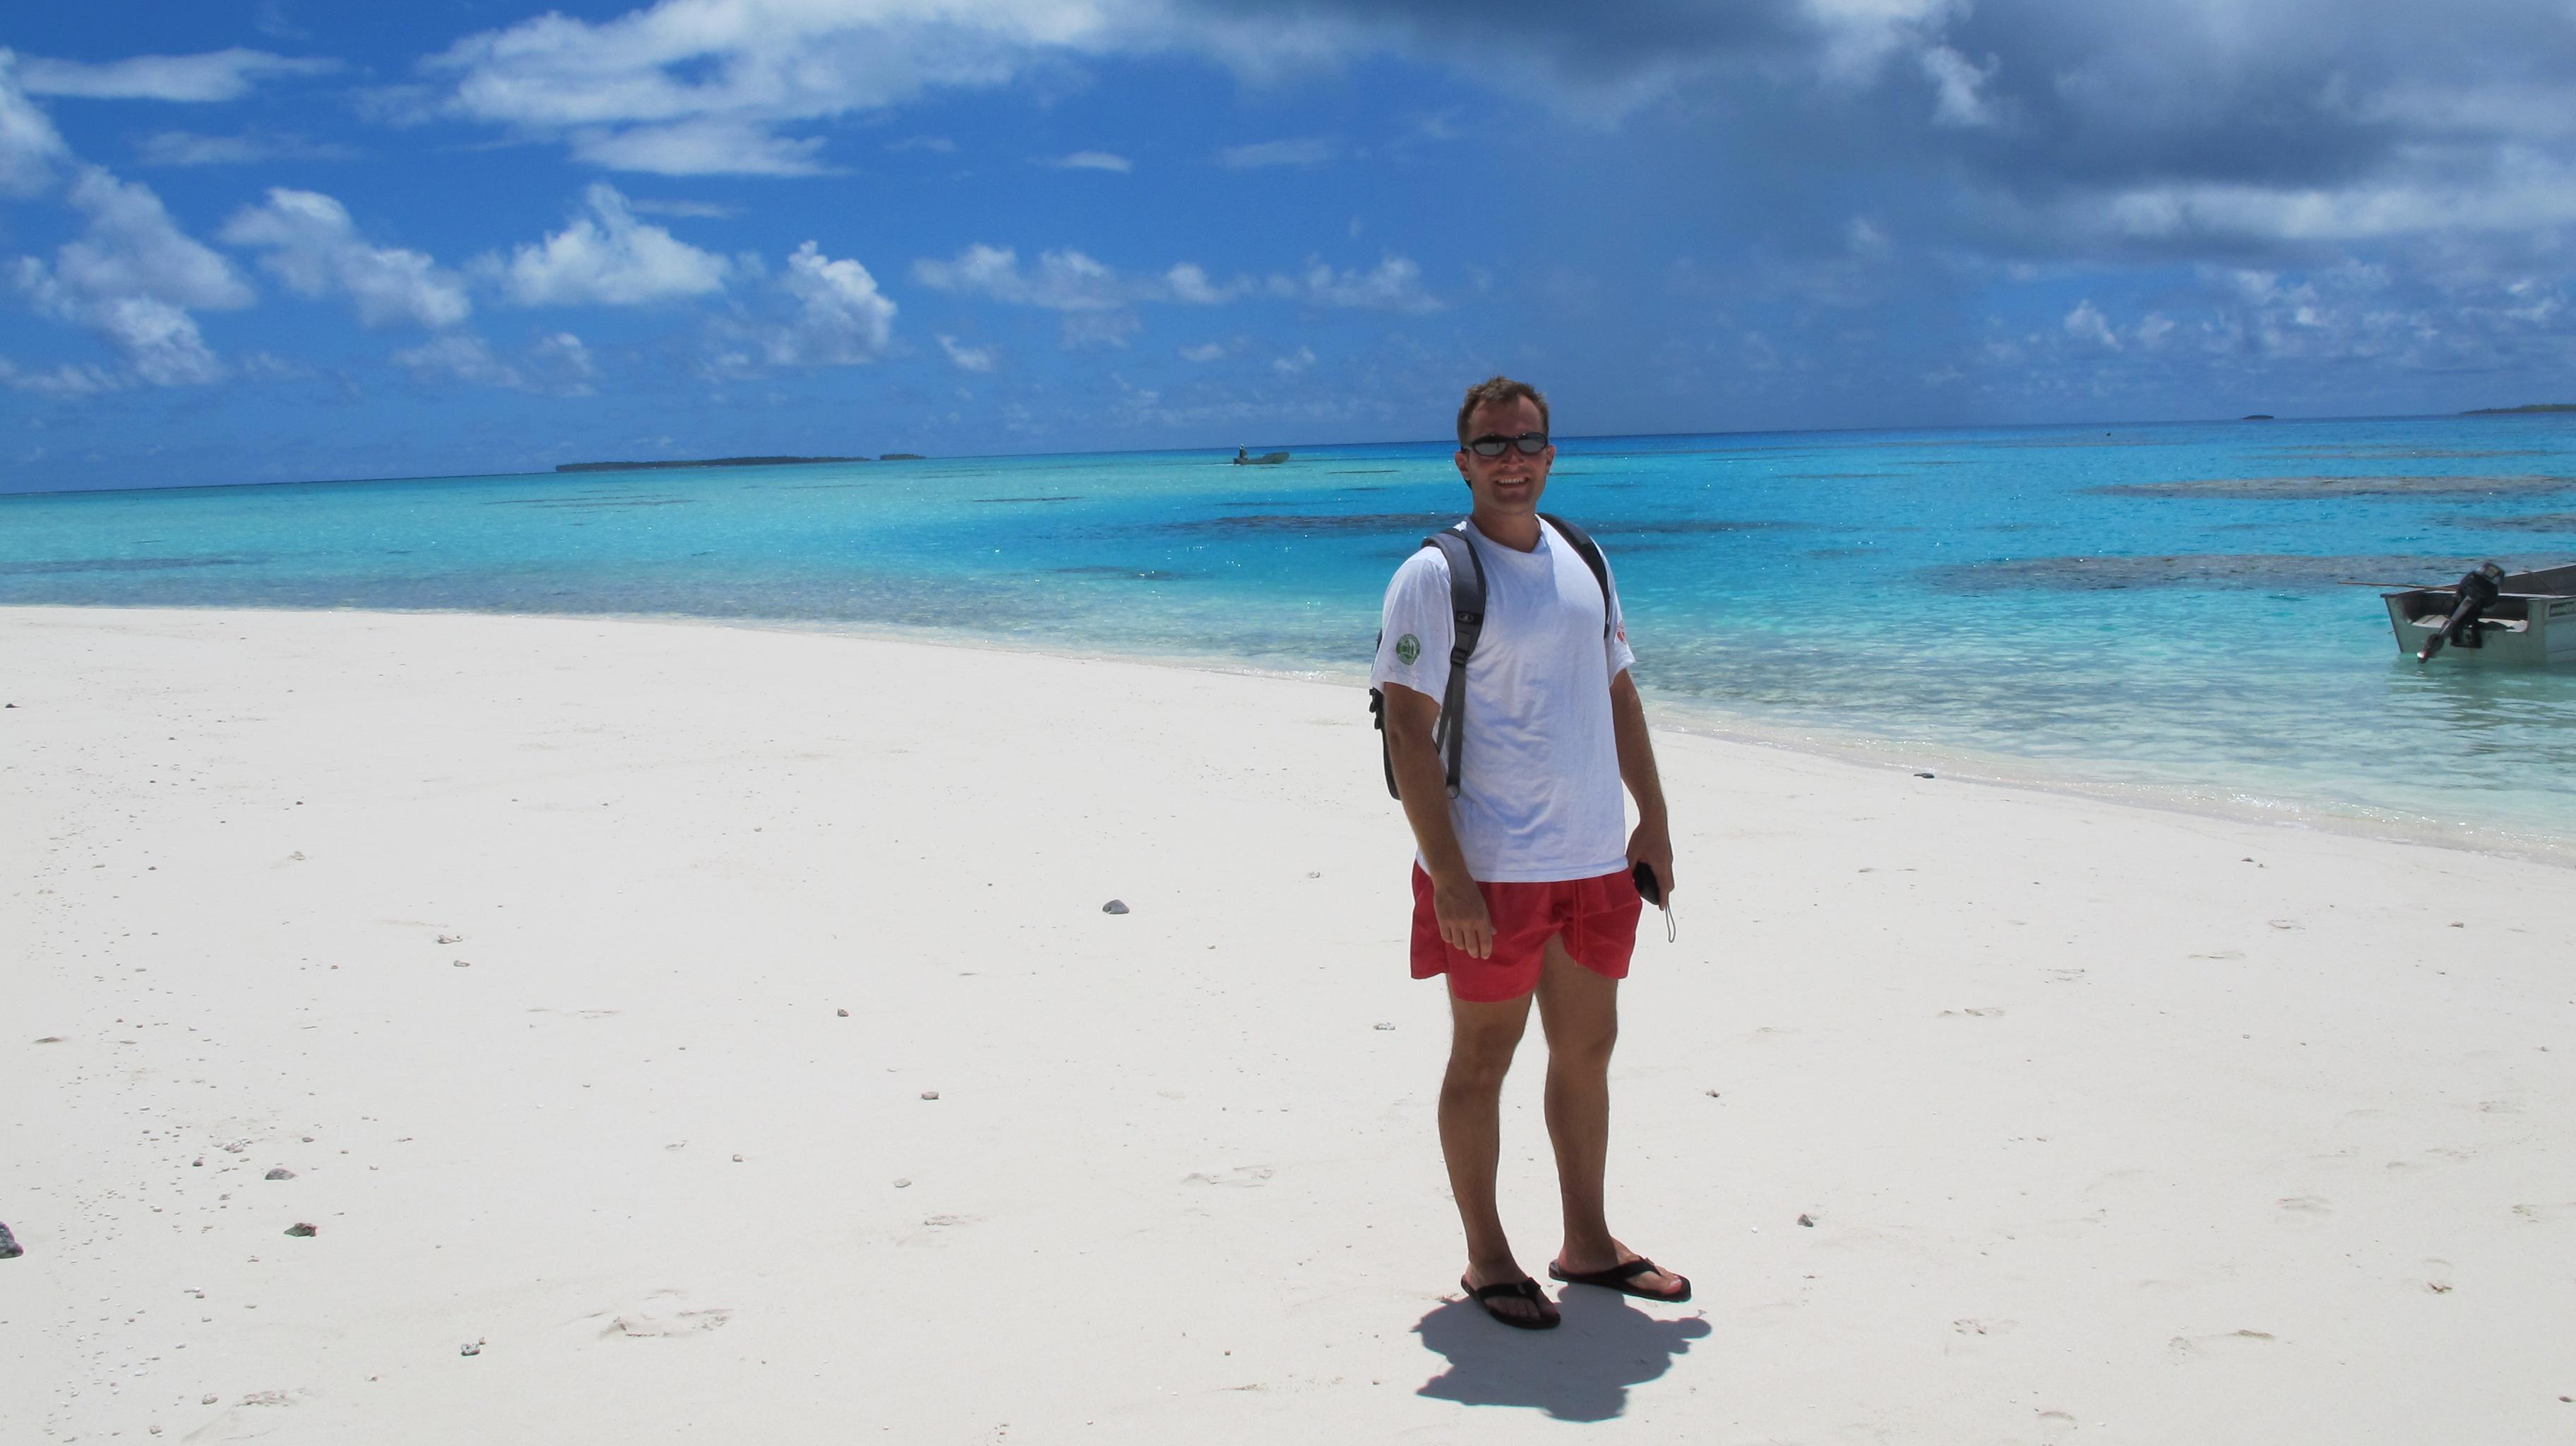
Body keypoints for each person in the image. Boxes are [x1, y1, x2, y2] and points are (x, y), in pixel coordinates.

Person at [1370, 375, 1685, 1330]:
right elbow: (1406, 732)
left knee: (1587, 1051)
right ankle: (1488, 1258)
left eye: (1526, 443)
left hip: (1593, 860)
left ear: (1551, 455)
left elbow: (1618, 692)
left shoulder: (1586, 557)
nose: (1511, 461)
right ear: (1463, 463)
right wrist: (1450, 878)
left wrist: (1653, 819)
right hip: (1491, 869)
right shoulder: (1434, 577)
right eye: (1491, 446)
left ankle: (1587, 1243)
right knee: (1484, 1058)